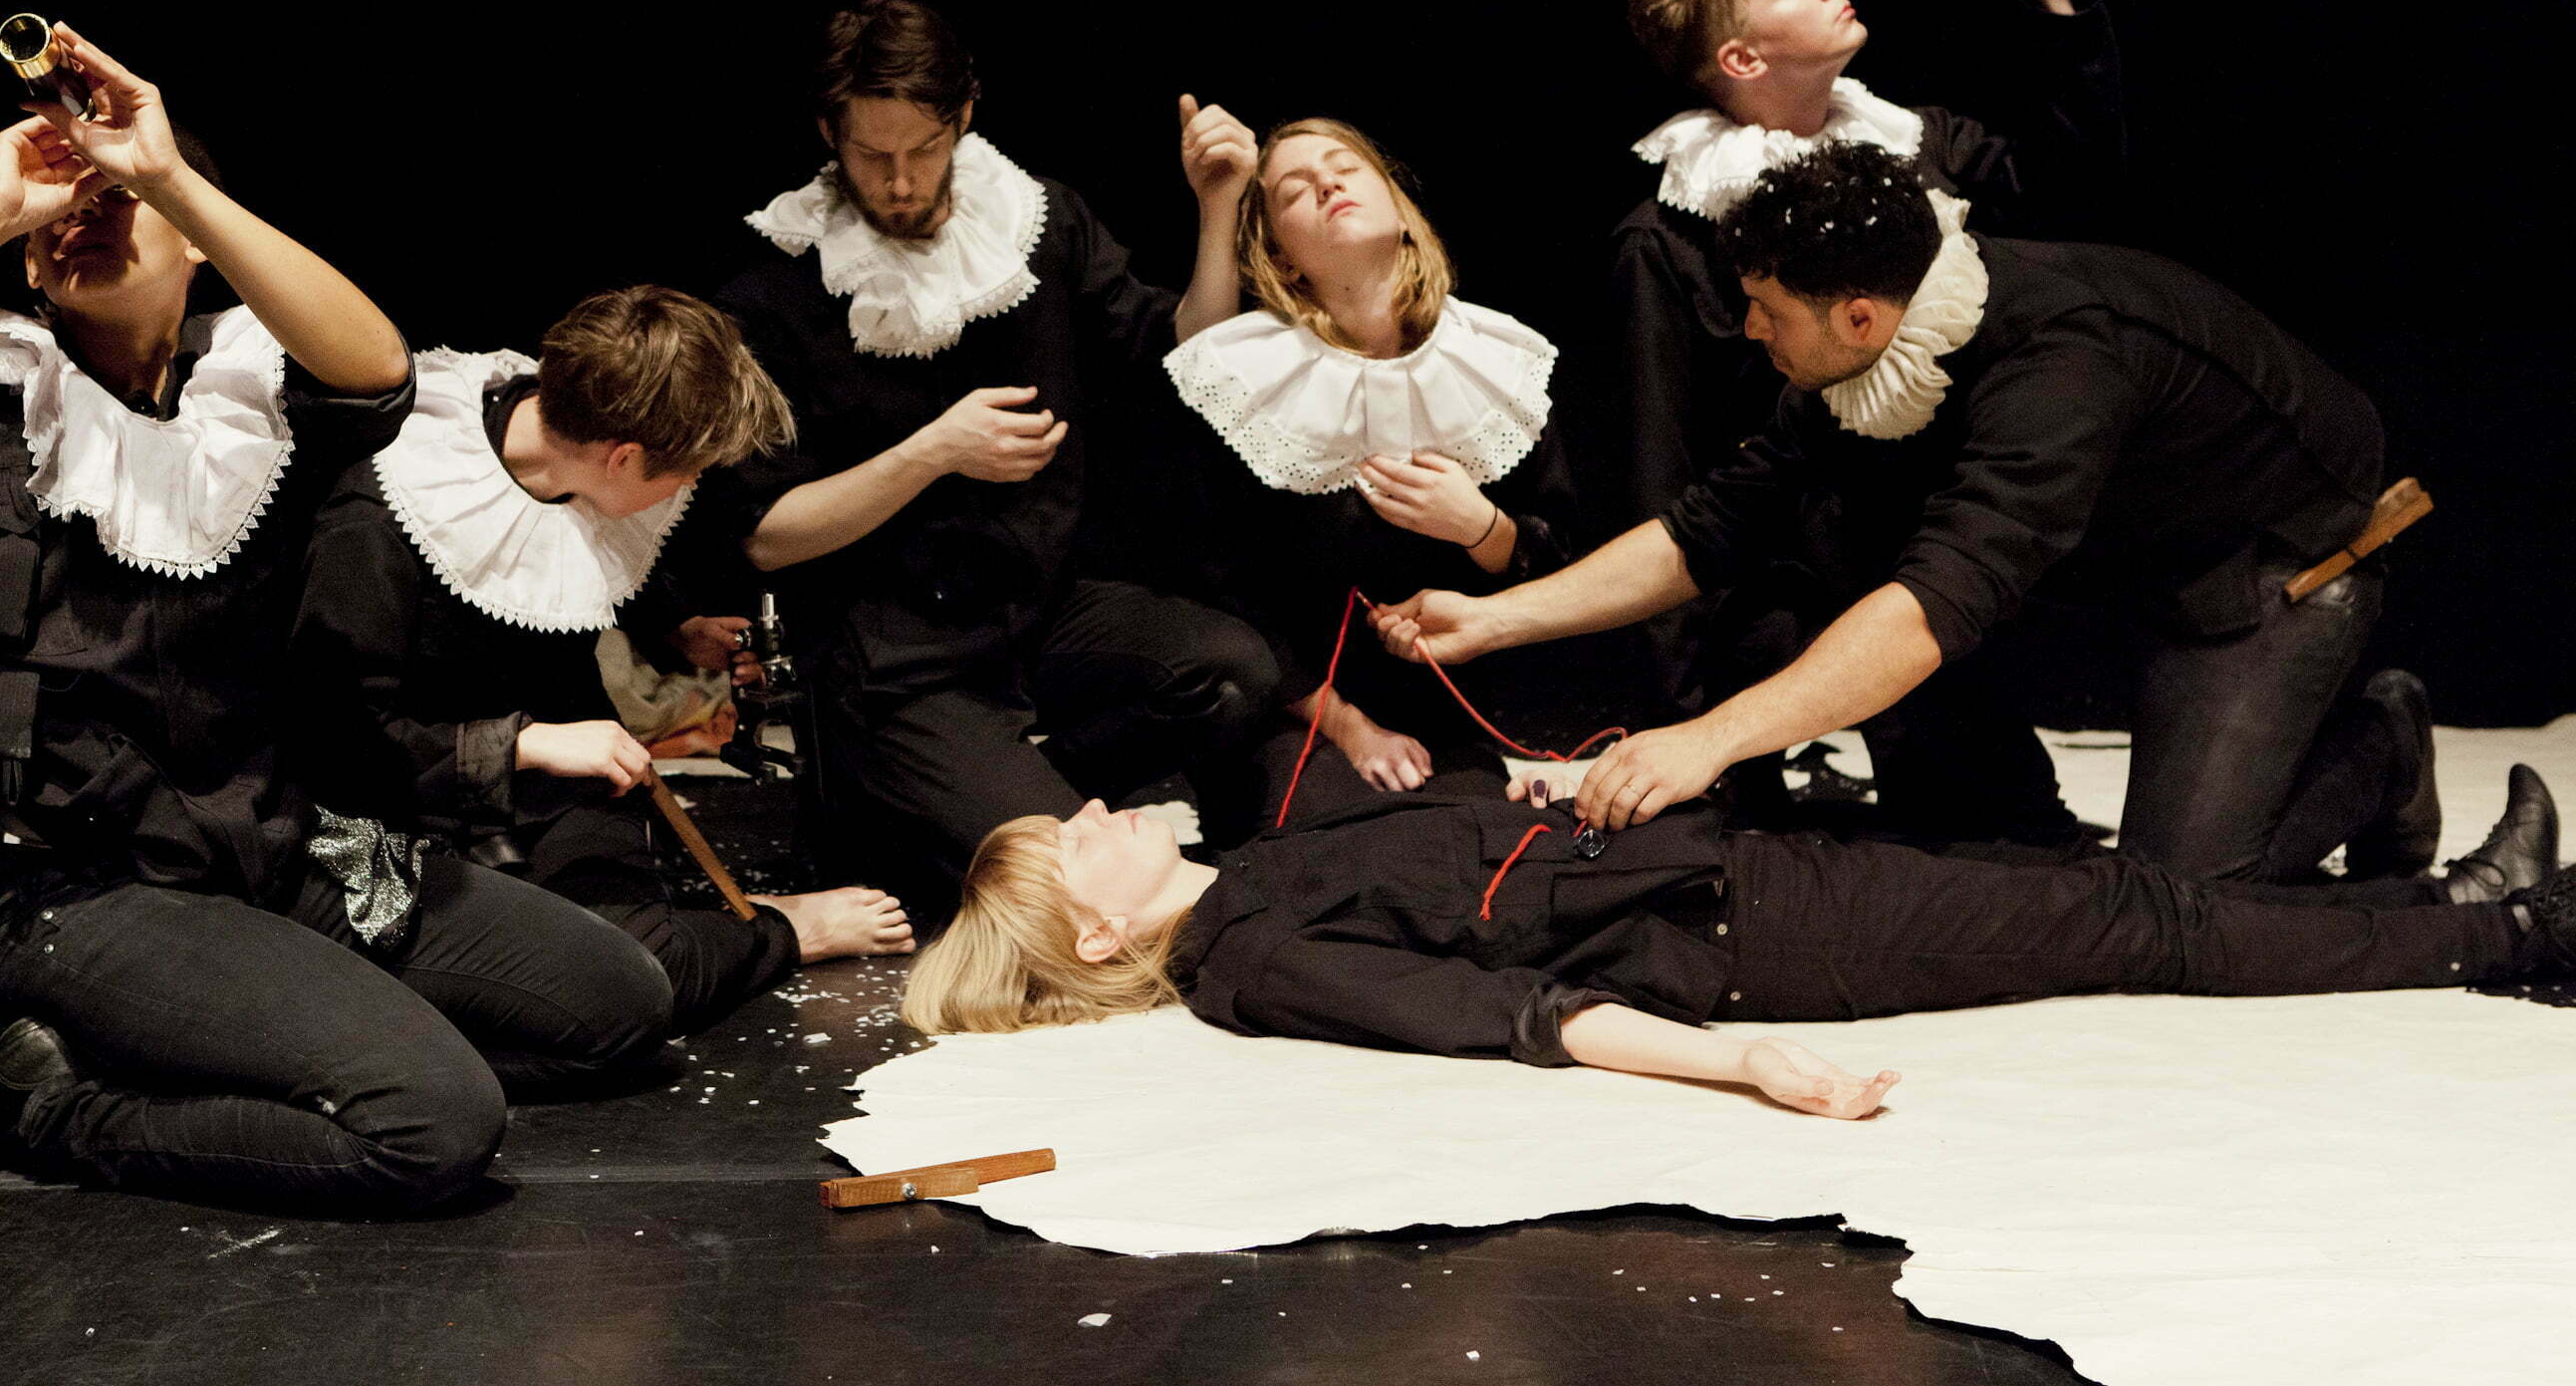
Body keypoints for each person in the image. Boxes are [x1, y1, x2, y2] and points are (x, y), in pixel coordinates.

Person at [0, 24, 670, 1214]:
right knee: (434, 1126)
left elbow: (377, 372)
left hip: (287, 848)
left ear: (195, 242)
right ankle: (41, 1102)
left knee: (619, 1005)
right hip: (84, 892)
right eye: (58, 217)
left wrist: (166, 175)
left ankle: (254, 1035)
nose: (81, 218)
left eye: (118, 203)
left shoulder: (248, 399)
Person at [1375, 145, 2557, 899]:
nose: (1747, 329)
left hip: (2270, 557)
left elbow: (1930, 609)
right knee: (1836, 543)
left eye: (1763, 308)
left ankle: (2382, 742)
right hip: (2125, 551)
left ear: (1855, 315)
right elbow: (1706, 529)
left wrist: (1708, 739)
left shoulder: (2059, 365)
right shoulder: (1861, 359)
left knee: (2182, 891)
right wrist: (1495, 618)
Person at [901, 790, 2574, 1111]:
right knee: (2142, 926)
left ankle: (2453, 901)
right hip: (1757, 935)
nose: (1099, 805)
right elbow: (1506, 1011)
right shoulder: (1253, 956)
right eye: (1080, 834)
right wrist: (1738, 1062)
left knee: (2120, 895)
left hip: (1746, 864)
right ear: (1099, 925)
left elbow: (1481, 881)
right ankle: (2507, 932)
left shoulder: (1262, 868)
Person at [710, 0, 1281, 905]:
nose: (901, 181)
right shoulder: (776, 288)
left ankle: (996, 798)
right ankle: (907, 803)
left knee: (1232, 673)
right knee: (1063, 890)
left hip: (1038, 616)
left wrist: (1219, 209)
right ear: (828, 133)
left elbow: (1188, 363)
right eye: (872, 156)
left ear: (964, 115)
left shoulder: (1037, 224)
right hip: (894, 665)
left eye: (924, 148)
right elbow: (768, 536)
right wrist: (932, 450)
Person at [294, 285, 915, 1040]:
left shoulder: (576, 446)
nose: (688, 487)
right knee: (625, 979)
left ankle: (708, 929)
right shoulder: (382, 519)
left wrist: (675, 630)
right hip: (411, 804)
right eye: (684, 472)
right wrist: (526, 743)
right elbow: (338, 743)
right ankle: (781, 932)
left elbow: (576, 553)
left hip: (561, 781)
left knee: (632, 958)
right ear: (623, 458)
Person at [1608, 0, 2123, 740]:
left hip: (1947, 561)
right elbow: (1664, 478)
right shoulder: (1669, 235)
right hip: (1786, 603)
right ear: (1741, 57)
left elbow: (2079, 198)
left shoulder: (1915, 145)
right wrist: (1687, 732)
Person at [1160, 117, 1589, 811]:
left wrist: (1480, 528)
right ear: (1283, 258)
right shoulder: (1248, 380)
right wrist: (1350, 728)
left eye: (1345, 167)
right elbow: (1223, 595)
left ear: (1402, 212)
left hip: (1494, 706)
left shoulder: (1498, 360)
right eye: (1295, 190)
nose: (1327, 184)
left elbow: (1563, 566)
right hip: (1304, 714)